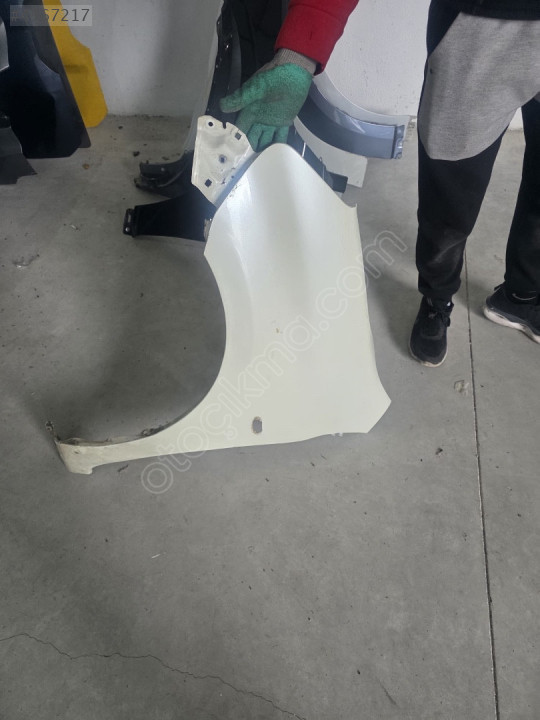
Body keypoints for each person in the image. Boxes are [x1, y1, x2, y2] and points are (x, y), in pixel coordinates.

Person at [220, 0, 540, 367]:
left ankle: (522, 295)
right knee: (452, 197)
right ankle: (437, 299)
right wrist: (299, 54)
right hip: (485, 25)